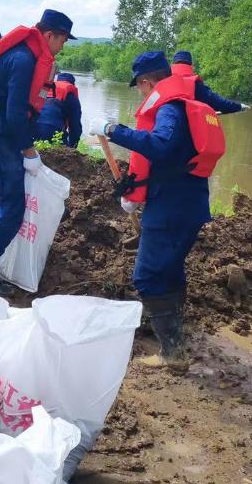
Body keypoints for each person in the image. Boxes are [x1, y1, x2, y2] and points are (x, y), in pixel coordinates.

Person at [89, 50, 225, 369]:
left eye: (138, 86)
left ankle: (172, 352)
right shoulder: (183, 105)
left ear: (147, 83)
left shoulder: (169, 109)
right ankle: (174, 333)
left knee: (148, 276)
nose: (140, 92)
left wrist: (113, 130)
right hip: (188, 206)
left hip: (170, 211)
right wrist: (134, 192)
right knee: (170, 270)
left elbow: (160, 146)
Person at [0, 9, 75, 296]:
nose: (62, 47)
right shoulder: (23, 59)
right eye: (62, 40)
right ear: (49, 35)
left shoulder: (26, 53)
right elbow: (15, 114)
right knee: (13, 206)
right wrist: (29, 152)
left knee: (10, 202)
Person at [172, 50, 249, 114]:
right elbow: (220, 103)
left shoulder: (164, 82)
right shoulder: (196, 85)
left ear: (173, 65)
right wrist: (240, 107)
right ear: (191, 66)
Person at [34, 72, 83, 148]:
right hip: (54, 130)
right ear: (73, 84)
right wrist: (72, 148)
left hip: (32, 128)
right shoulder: (71, 97)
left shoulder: (46, 90)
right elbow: (75, 127)